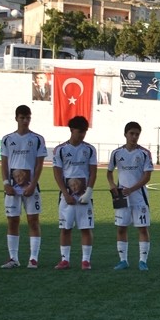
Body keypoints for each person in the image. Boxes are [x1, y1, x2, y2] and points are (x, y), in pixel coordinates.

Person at [0, 105, 46, 269]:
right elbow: (4, 164)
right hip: (12, 188)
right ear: (16, 118)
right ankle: (13, 258)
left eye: (28, 118)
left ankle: (33, 258)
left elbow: (40, 165)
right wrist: (6, 183)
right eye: (22, 118)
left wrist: (33, 184)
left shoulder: (37, 139)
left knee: (33, 221)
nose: (25, 121)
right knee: (12, 221)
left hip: (31, 188)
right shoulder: (7, 139)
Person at [106, 121, 154, 271]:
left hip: (140, 197)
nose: (134, 137)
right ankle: (123, 260)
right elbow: (109, 172)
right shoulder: (116, 153)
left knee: (143, 228)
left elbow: (147, 177)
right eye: (132, 133)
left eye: (137, 134)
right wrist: (113, 185)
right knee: (121, 228)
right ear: (125, 134)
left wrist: (132, 189)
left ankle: (143, 261)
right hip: (122, 198)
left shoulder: (144, 153)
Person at [51, 115, 96, 269]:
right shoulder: (61, 150)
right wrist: (65, 193)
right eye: (79, 131)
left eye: (84, 131)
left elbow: (93, 172)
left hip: (84, 196)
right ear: (71, 130)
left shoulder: (89, 149)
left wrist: (88, 192)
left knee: (86, 228)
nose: (82, 134)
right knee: (65, 228)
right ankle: (65, 260)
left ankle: (86, 260)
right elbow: (57, 173)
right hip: (67, 196)